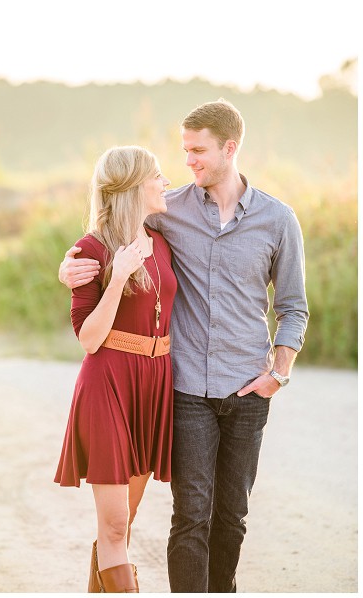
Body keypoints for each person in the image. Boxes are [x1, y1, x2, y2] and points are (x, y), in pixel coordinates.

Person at [59, 99, 309, 592]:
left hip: (248, 388)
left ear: (229, 148)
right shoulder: (169, 213)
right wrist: (68, 268)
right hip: (187, 387)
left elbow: (294, 307)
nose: (187, 162)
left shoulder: (278, 220)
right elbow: (108, 232)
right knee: (190, 515)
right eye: (184, 150)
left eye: (198, 151)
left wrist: (279, 371)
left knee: (232, 515)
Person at [54, 145, 175, 593]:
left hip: (155, 384)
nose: (166, 183)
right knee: (116, 526)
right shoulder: (91, 248)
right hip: (108, 385)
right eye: (157, 176)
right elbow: (88, 338)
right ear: (132, 186)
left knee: (123, 522)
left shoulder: (162, 238)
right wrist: (119, 275)